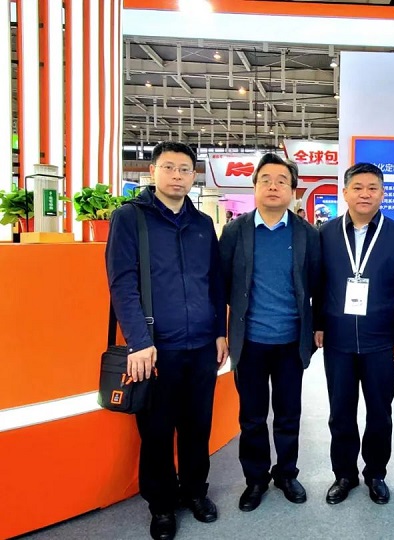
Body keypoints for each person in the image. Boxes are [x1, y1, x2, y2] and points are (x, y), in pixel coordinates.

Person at [106, 141, 228, 540]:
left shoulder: (202, 223)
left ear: (194, 176)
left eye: (185, 169)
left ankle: (194, 491)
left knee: (197, 426)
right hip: (156, 349)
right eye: (169, 167)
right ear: (153, 171)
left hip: (202, 347)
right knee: (157, 432)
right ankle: (160, 504)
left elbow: (214, 283)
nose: (177, 176)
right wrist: (139, 341)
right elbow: (122, 284)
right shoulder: (130, 218)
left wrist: (220, 332)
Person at [218, 153, 321, 513]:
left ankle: (287, 474)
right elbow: (220, 285)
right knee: (252, 417)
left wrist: (318, 327)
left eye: (281, 181)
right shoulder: (236, 232)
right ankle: (256, 479)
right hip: (250, 342)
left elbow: (318, 284)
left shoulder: (307, 234)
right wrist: (221, 331)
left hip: (291, 342)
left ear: (293, 190)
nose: (273, 186)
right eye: (266, 180)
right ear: (255, 186)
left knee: (289, 414)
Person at [314, 163, 394, 506]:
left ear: (382, 193)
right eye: (357, 187)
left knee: (379, 412)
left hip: (382, 340)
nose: (365, 194)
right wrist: (318, 324)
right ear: (345, 193)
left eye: (372, 188)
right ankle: (344, 474)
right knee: (340, 411)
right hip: (338, 340)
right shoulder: (326, 233)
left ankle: (376, 474)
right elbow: (319, 284)